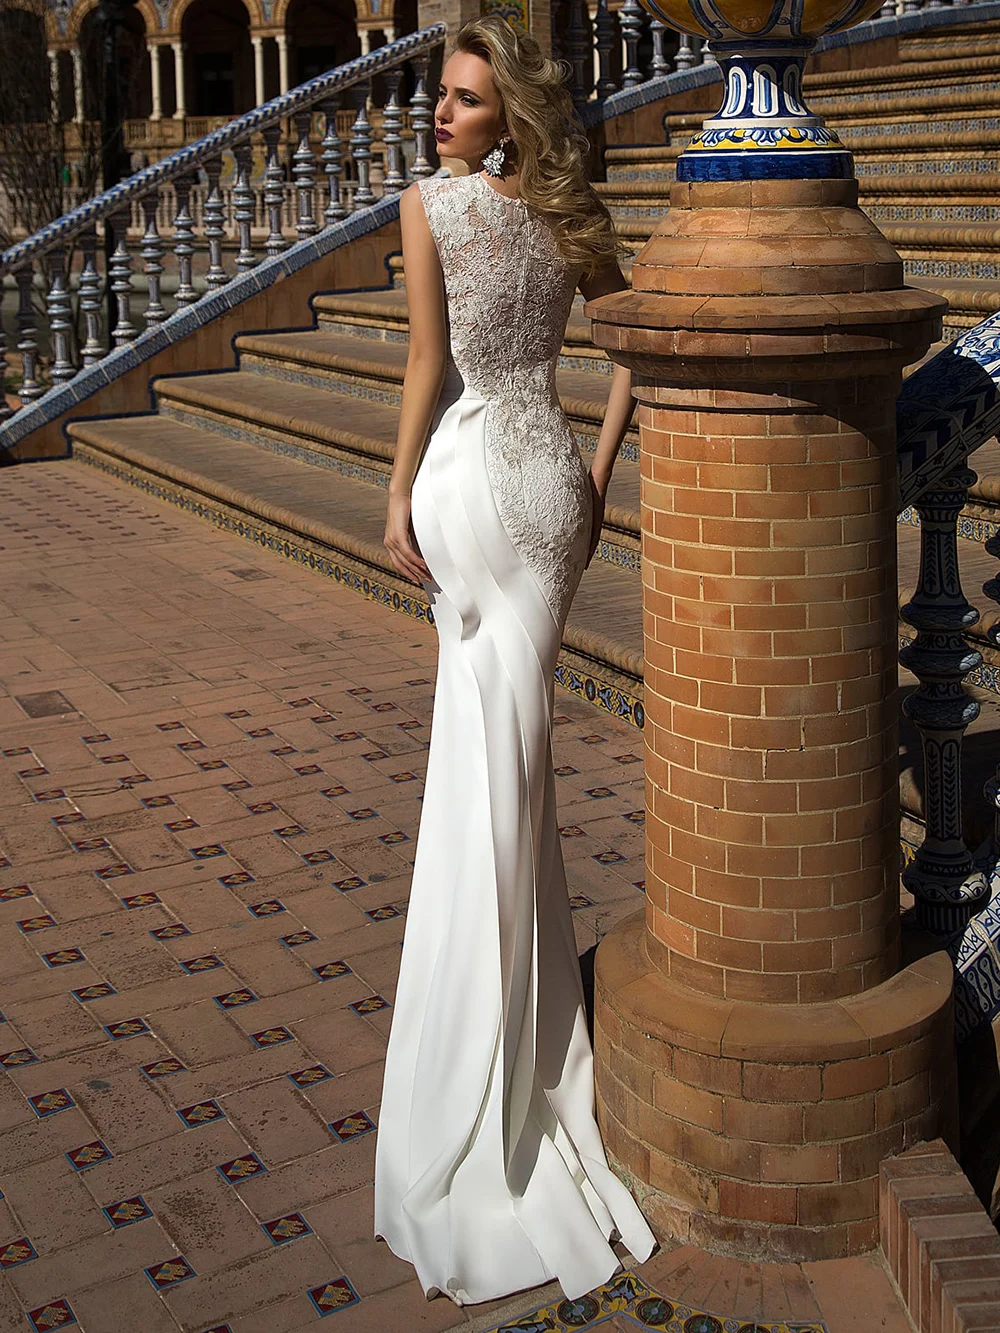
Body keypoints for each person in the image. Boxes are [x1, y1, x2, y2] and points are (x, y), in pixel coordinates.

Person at [373, 14, 655, 1307]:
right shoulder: (568, 220)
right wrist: (595, 476)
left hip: (471, 477)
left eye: (466, 99)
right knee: (514, 766)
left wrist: (393, 497)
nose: (442, 114)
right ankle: (516, 1038)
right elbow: (632, 347)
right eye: (442, 95)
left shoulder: (429, 207)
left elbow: (430, 365)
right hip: (545, 493)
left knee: (488, 764)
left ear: (507, 115)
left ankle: (488, 1052)